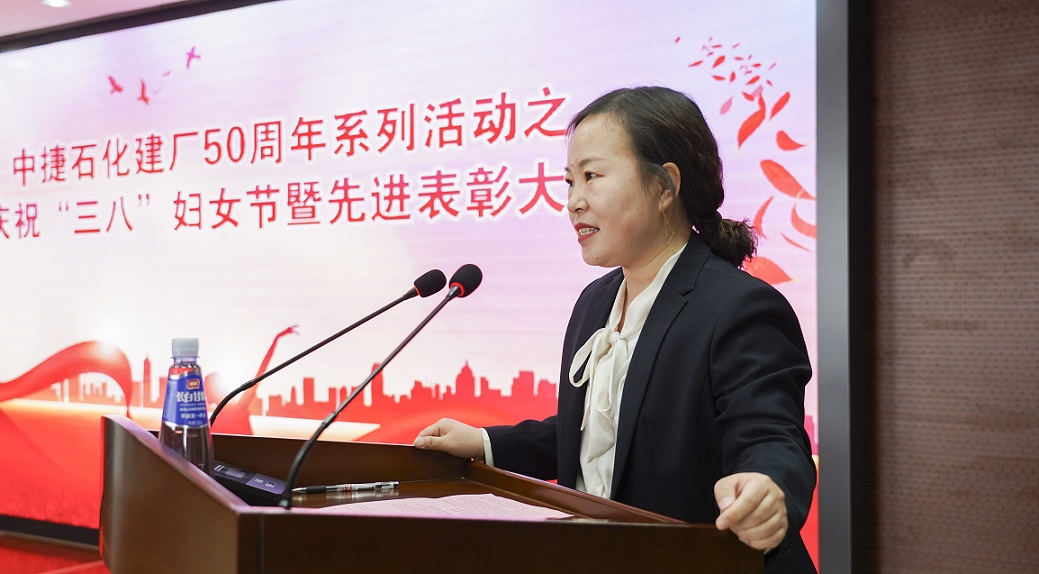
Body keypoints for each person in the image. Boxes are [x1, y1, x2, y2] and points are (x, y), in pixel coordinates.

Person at [414, 86, 817, 573]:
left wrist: (767, 487)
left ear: (665, 186)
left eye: (592, 176)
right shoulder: (595, 302)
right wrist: (485, 442)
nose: (574, 202)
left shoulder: (740, 308)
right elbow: (605, 434)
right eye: (569, 182)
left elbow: (771, 436)